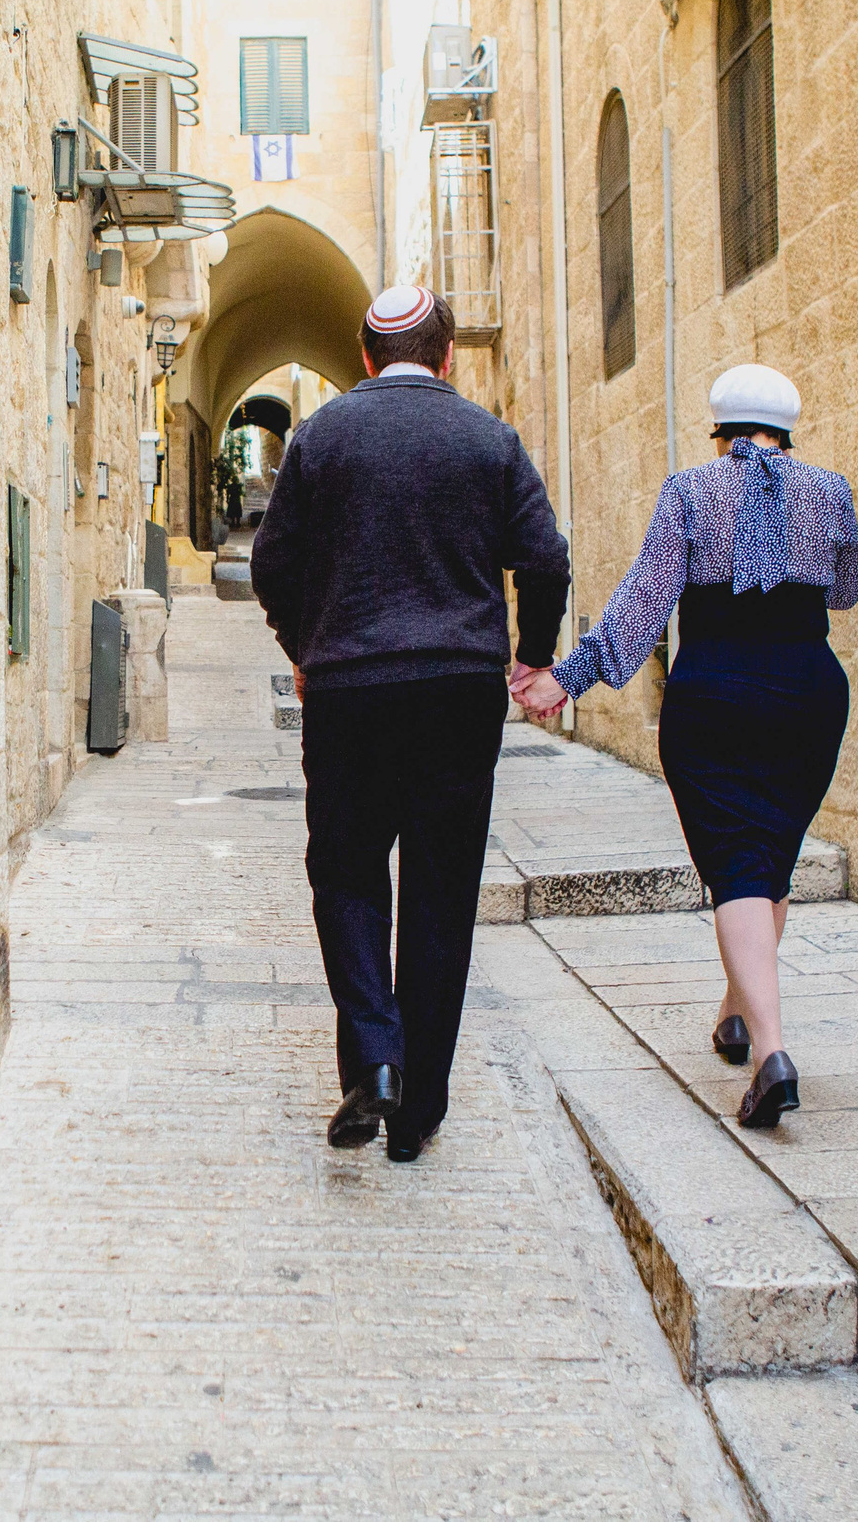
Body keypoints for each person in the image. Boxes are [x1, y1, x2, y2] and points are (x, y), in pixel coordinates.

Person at [252, 286, 571, 1162]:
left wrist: (306, 645)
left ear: (363, 357)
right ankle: (418, 1110)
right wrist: (533, 655)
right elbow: (545, 558)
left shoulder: (322, 437)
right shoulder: (489, 439)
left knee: (347, 869)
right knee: (440, 887)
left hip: (352, 686)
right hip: (460, 688)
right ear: (450, 353)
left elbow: (273, 565)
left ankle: (375, 1061)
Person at [514, 363, 858, 1129]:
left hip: (715, 693)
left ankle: (771, 1051)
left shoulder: (690, 492)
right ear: (786, 429)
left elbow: (644, 602)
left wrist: (565, 678)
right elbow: (848, 588)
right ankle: (735, 1014)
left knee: (741, 861)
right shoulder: (829, 488)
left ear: (721, 429)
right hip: (808, 693)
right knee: (768, 854)